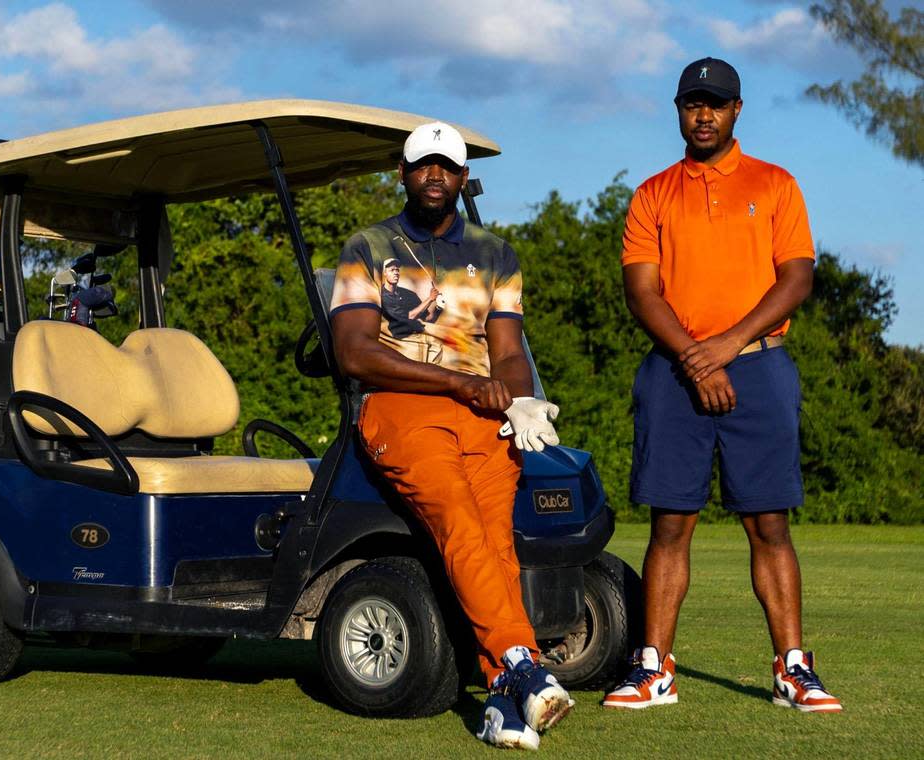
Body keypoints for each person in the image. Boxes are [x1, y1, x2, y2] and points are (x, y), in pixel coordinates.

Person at [603, 57, 842, 713]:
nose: (702, 115)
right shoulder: (653, 193)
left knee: (769, 523)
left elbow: (795, 278)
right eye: (691, 103)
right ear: (678, 111)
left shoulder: (776, 183)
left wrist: (726, 348)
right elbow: (641, 291)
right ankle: (653, 669)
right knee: (670, 524)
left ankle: (793, 669)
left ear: (737, 110)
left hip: (760, 366)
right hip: (672, 371)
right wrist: (694, 358)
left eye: (714, 103)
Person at [330, 121, 572, 750]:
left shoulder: (495, 255)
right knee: (461, 525)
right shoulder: (368, 245)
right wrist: (459, 384)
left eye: (447, 166)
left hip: (482, 414)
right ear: (403, 174)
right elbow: (354, 353)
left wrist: (521, 397)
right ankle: (522, 663)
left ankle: (501, 701)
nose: (434, 175)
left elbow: (509, 350)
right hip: (401, 407)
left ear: (462, 178)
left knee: (497, 544)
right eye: (422, 165)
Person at [380, 257, 441, 339]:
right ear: (385, 273)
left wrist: (439, 309)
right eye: (392, 270)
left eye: (397, 270)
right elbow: (407, 318)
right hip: (394, 340)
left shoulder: (410, 294)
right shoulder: (382, 296)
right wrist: (430, 299)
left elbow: (427, 319)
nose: (396, 273)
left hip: (416, 337)